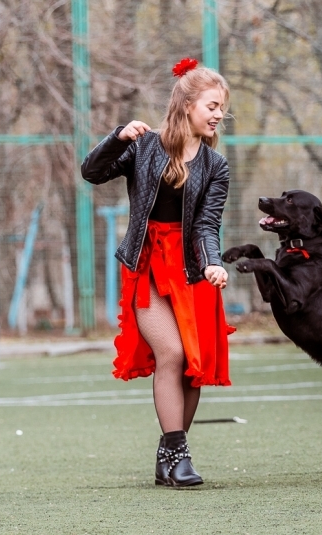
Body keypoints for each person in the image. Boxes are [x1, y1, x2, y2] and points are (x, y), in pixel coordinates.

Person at [80, 58, 234, 488]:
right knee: (171, 353)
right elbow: (91, 173)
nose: (218, 113)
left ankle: (169, 458)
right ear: (186, 104)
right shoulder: (144, 146)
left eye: (221, 107)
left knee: (193, 365)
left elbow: (207, 225)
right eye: (212, 104)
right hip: (147, 267)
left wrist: (213, 263)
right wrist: (116, 137)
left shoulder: (215, 165)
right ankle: (178, 454)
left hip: (190, 272)